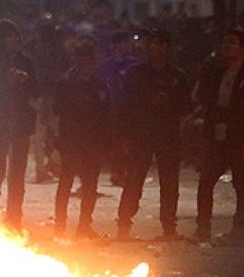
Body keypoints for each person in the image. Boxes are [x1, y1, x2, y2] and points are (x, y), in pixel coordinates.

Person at [116, 28, 192, 241]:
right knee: (134, 181)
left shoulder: (177, 76)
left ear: (166, 47)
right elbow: (126, 106)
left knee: (169, 184)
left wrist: (167, 104)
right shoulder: (136, 74)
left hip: (168, 136)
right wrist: (126, 134)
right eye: (149, 44)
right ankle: (124, 225)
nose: (151, 48)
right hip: (141, 135)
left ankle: (169, 227)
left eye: (156, 43)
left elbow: (186, 107)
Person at [193, 30, 244, 244]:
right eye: (226, 42)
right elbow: (210, 105)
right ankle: (203, 228)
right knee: (206, 182)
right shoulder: (217, 73)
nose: (228, 47)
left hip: (238, 137)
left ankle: (238, 230)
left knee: (241, 184)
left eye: (233, 43)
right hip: (217, 135)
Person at [0, 19, 38, 229]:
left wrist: (26, 80)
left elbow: (37, 91)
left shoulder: (26, 62)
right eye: (7, 38)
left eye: (15, 38)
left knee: (18, 175)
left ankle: (14, 218)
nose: (12, 42)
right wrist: (5, 83)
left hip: (21, 125)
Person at [52, 35, 111, 239]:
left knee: (90, 186)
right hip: (71, 142)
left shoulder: (99, 86)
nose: (87, 66)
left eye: (90, 61)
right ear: (76, 62)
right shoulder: (66, 83)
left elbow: (105, 116)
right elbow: (57, 110)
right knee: (66, 183)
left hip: (92, 143)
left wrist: (105, 143)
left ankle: (84, 226)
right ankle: (60, 226)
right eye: (83, 62)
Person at [29, 18, 70, 183]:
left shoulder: (32, 48)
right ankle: (52, 164)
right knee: (59, 132)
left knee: (39, 135)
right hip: (52, 95)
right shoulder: (59, 49)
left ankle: (42, 168)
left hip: (38, 95)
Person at [102, 30, 139, 186]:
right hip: (112, 108)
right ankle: (117, 172)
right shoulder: (107, 65)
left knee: (129, 142)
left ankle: (124, 172)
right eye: (125, 42)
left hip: (130, 109)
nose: (129, 45)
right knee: (115, 142)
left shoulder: (134, 64)